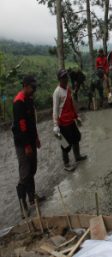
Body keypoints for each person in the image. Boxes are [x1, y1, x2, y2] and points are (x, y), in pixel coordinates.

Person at [12, 75, 46, 216]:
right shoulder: (18, 102)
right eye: (32, 87)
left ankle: (32, 197)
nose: (34, 89)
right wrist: (26, 146)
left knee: (32, 168)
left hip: (31, 139)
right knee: (25, 173)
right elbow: (21, 126)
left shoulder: (29, 100)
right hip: (22, 142)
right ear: (25, 86)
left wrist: (36, 138)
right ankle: (23, 204)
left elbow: (32, 122)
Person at [53, 69, 87, 172]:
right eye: (63, 77)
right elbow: (55, 109)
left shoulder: (67, 89)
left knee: (76, 137)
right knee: (65, 144)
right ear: (59, 79)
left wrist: (76, 117)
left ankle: (77, 156)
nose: (65, 79)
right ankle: (66, 164)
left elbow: (71, 104)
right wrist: (55, 125)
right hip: (62, 122)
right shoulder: (57, 92)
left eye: (66, 77)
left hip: (71, 120)